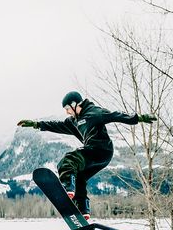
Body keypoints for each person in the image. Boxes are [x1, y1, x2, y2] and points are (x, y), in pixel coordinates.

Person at [17, 91, 156, 220]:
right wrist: (36, 124)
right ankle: (83, 209)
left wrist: (139, 118)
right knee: (79, 176)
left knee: (68, 161)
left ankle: (67, 186)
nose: (67, 112)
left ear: (75, 104)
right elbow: (56, 125)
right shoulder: (73, 122)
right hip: (100, 157)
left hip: (100, 149)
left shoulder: (94, 112)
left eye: (67, 108)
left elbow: (115, 115)